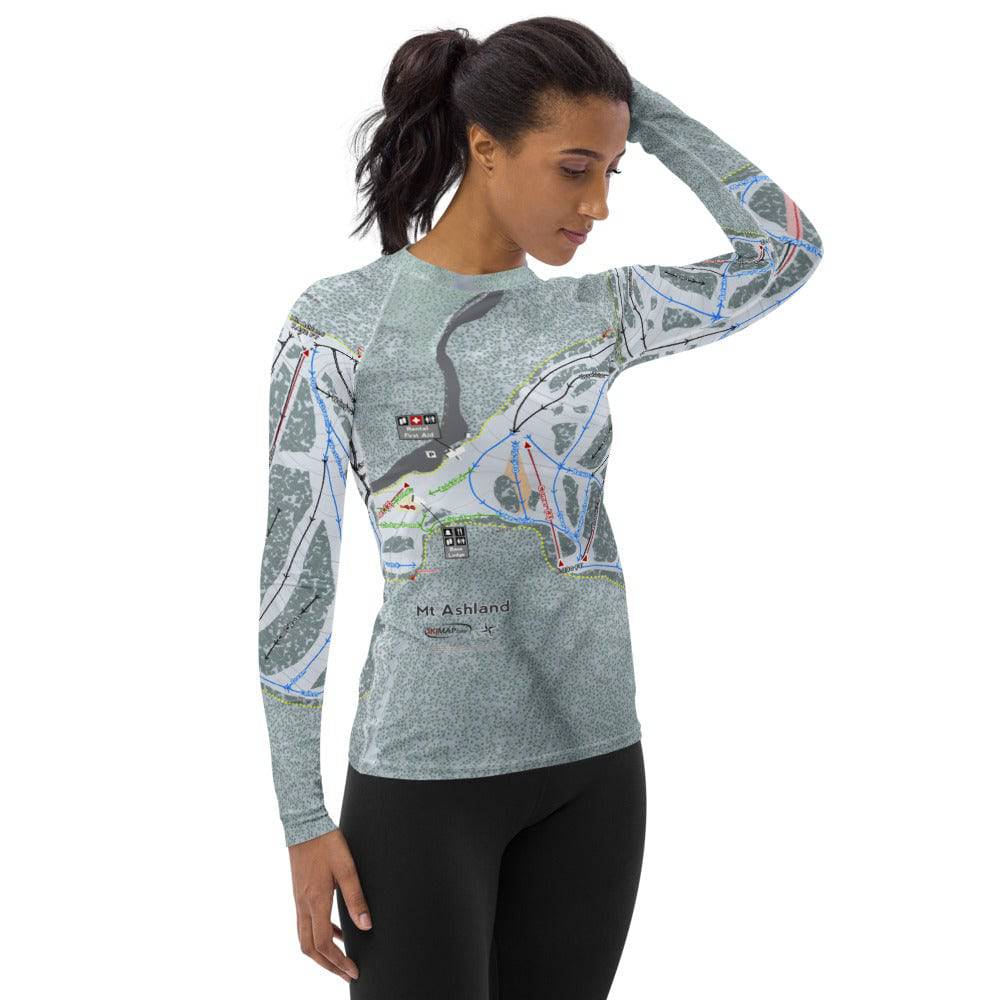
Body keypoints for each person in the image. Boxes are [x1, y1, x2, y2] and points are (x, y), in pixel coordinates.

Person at [257, 15, 823, 999]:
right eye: (573, 168)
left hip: (594, 770)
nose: (598, 204)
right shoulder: (339, 324)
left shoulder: (595, 316)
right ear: (485, 146)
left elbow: (786, 250)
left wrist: (638, 112)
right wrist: (302, 818)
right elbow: (295, 579)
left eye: (611, 171)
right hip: (420, 782)